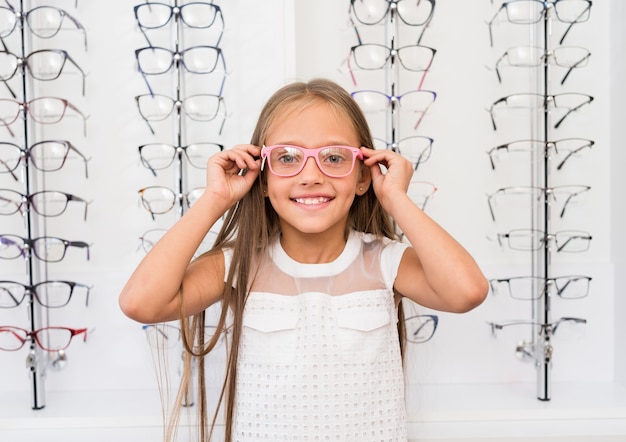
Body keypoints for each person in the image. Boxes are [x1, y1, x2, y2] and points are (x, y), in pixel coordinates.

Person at [119, 78, 488, 441]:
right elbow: (141, 303)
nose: (311, 176)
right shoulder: (238, 265)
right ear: (261, 179)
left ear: (362, 177)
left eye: (333, 157)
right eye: (288, 157)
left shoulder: (384, 261)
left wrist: (396, 199)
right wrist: (215, 199)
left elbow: (466, 292)